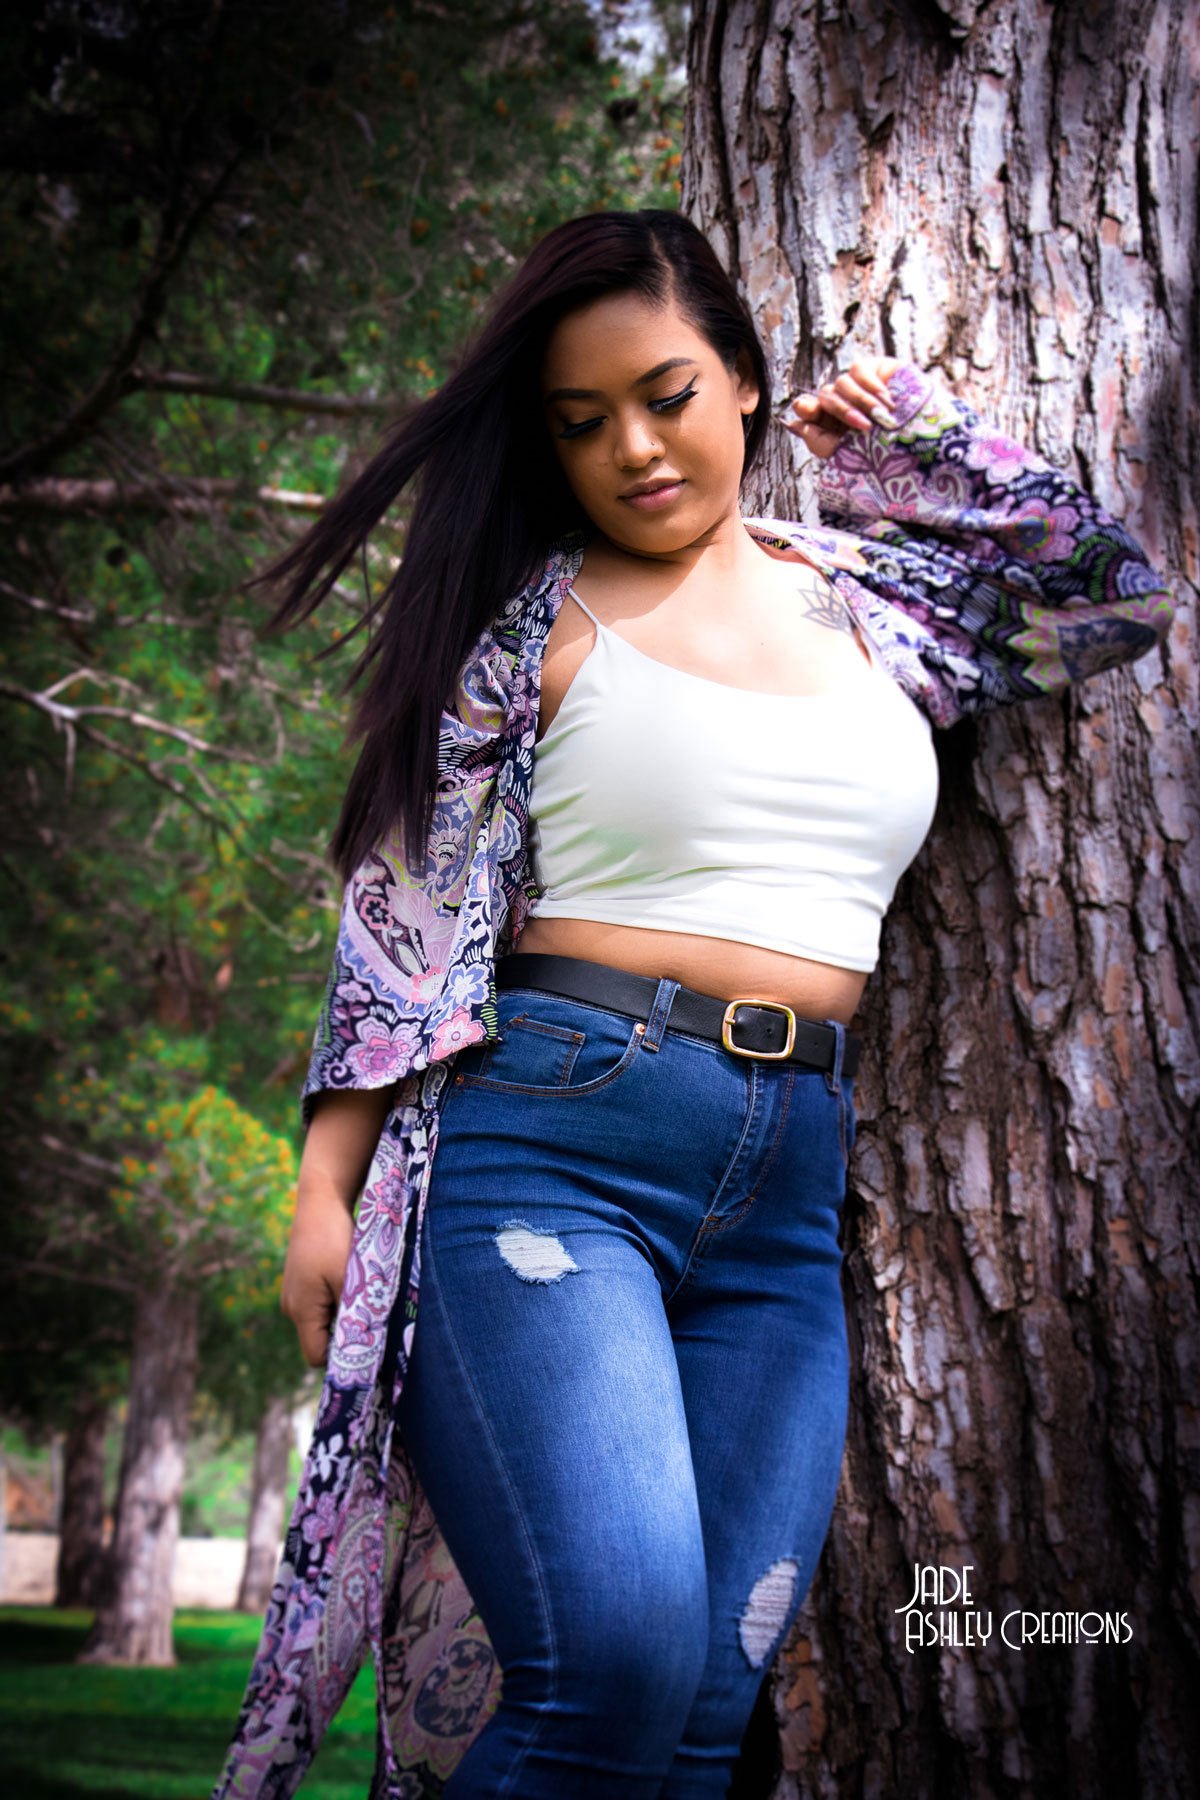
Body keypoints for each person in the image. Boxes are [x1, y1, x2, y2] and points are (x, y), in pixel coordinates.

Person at [210, 210, 1173, 1800]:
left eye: (667, 395)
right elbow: (407, 908)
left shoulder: (865, 599)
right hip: (555, 1151)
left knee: (710, 1712)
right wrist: (323, 1183)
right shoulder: (535, 627)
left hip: (787, 1191)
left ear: (741, 379)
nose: (634, 451)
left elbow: (1111, 606)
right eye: (582, 425)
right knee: (613, 1676)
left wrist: (916, 453)